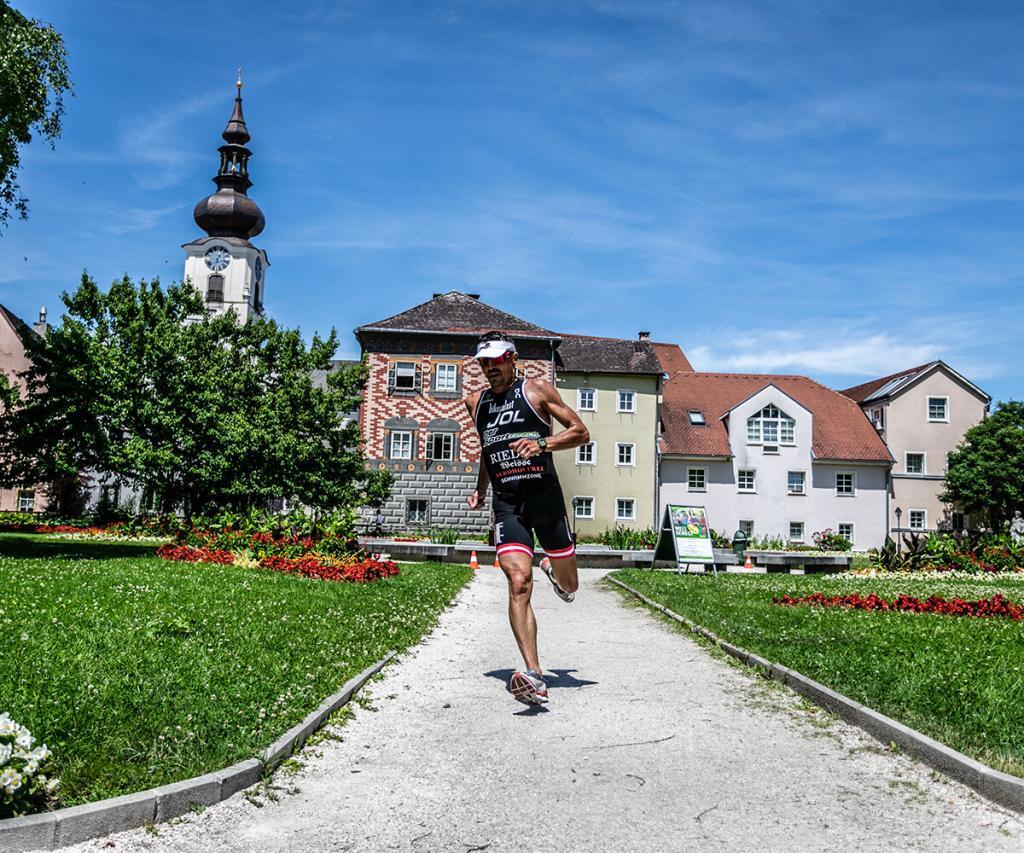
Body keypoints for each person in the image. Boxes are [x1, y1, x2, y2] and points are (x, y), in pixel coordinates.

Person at [465, 331, 590, 706]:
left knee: (571, 586)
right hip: (508, 503)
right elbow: (489, 450)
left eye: (497, 360)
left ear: (512, 359)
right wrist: (481, 489)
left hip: (545, 499)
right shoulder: (476, 403)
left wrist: (542, 444)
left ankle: (556, 570)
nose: (490, 369)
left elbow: (581, 432)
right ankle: (534, 674)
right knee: (518, 581)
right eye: (484, 362)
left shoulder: (537, 391)